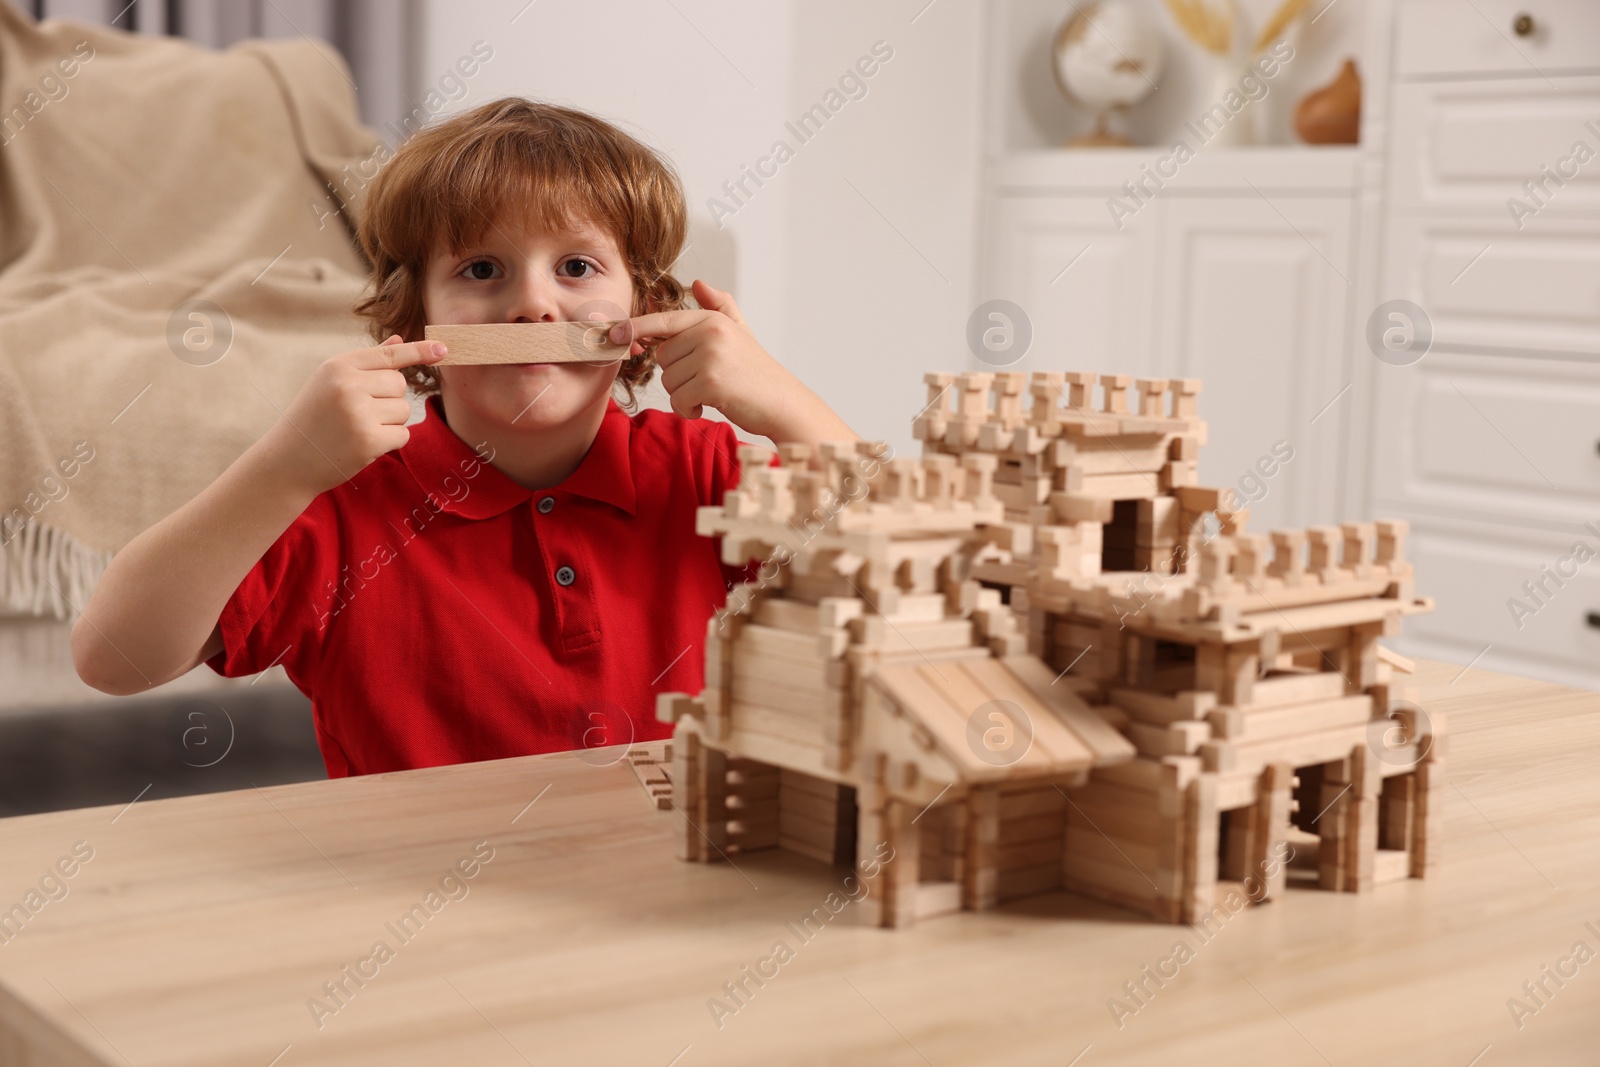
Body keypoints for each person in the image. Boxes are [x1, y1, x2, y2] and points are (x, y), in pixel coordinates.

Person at [72, 97, 857, 777]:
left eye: (577, 266)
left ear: (645, 311)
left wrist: (791, 407)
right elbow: (112, 658)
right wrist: (286, 465)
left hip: (669, 894)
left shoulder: (708, 475)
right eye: (482, 270)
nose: (534, 307)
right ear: (416, 319)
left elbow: (917, 591)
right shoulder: (343, 507)